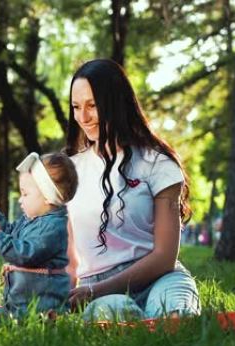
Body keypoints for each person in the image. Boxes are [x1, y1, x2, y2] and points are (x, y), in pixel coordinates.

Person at [65, 59, 201, 321]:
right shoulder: (69, 171)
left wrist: (94, 291)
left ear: (115, 104)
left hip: (160, 279)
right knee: (115, 317)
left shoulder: (158, 164)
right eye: (76, 107)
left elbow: (164, 257)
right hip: (98, 290)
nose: (83, 117)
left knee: (178, 319)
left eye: (93, 106)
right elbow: (68, 259)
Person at [0, 152, 78, 318]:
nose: (20, 200)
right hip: (21, 302)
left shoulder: (54, 227)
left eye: (25, 194)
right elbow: (11, 233)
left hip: (40, 307)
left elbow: (25, 255)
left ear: (47, 196)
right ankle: (11, 312)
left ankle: (46, 318)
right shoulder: (31, 219)